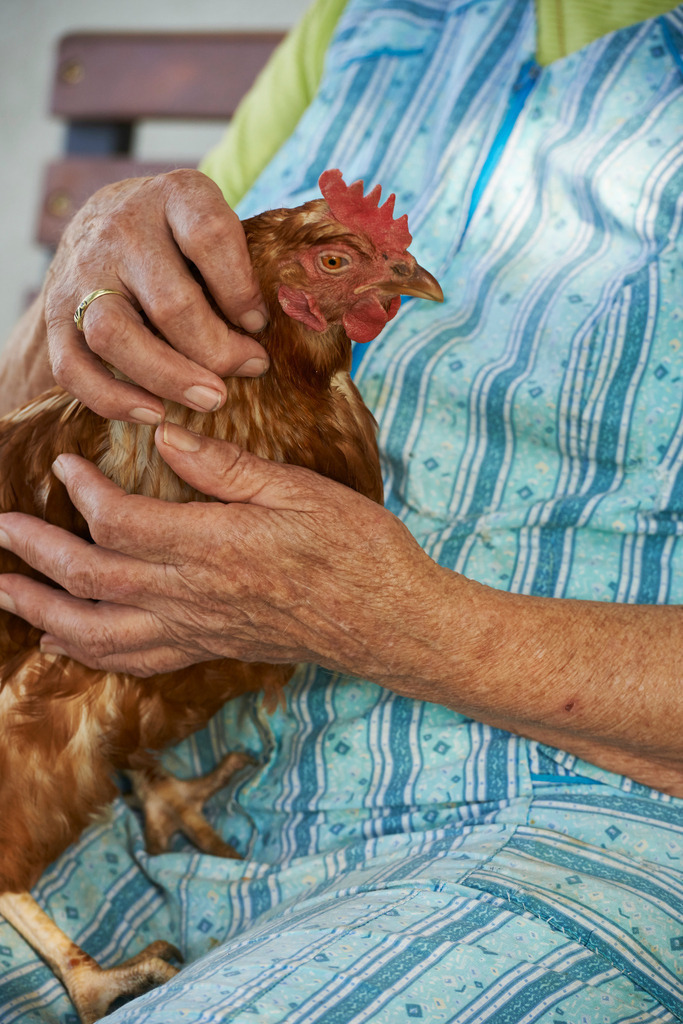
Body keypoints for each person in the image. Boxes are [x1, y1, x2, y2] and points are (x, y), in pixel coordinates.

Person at [1, 1, 682, 1021]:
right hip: (128, 793)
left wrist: (408, 625)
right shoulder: (374, 18)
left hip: (535, 843)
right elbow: (38, 411)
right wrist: (83, 273)